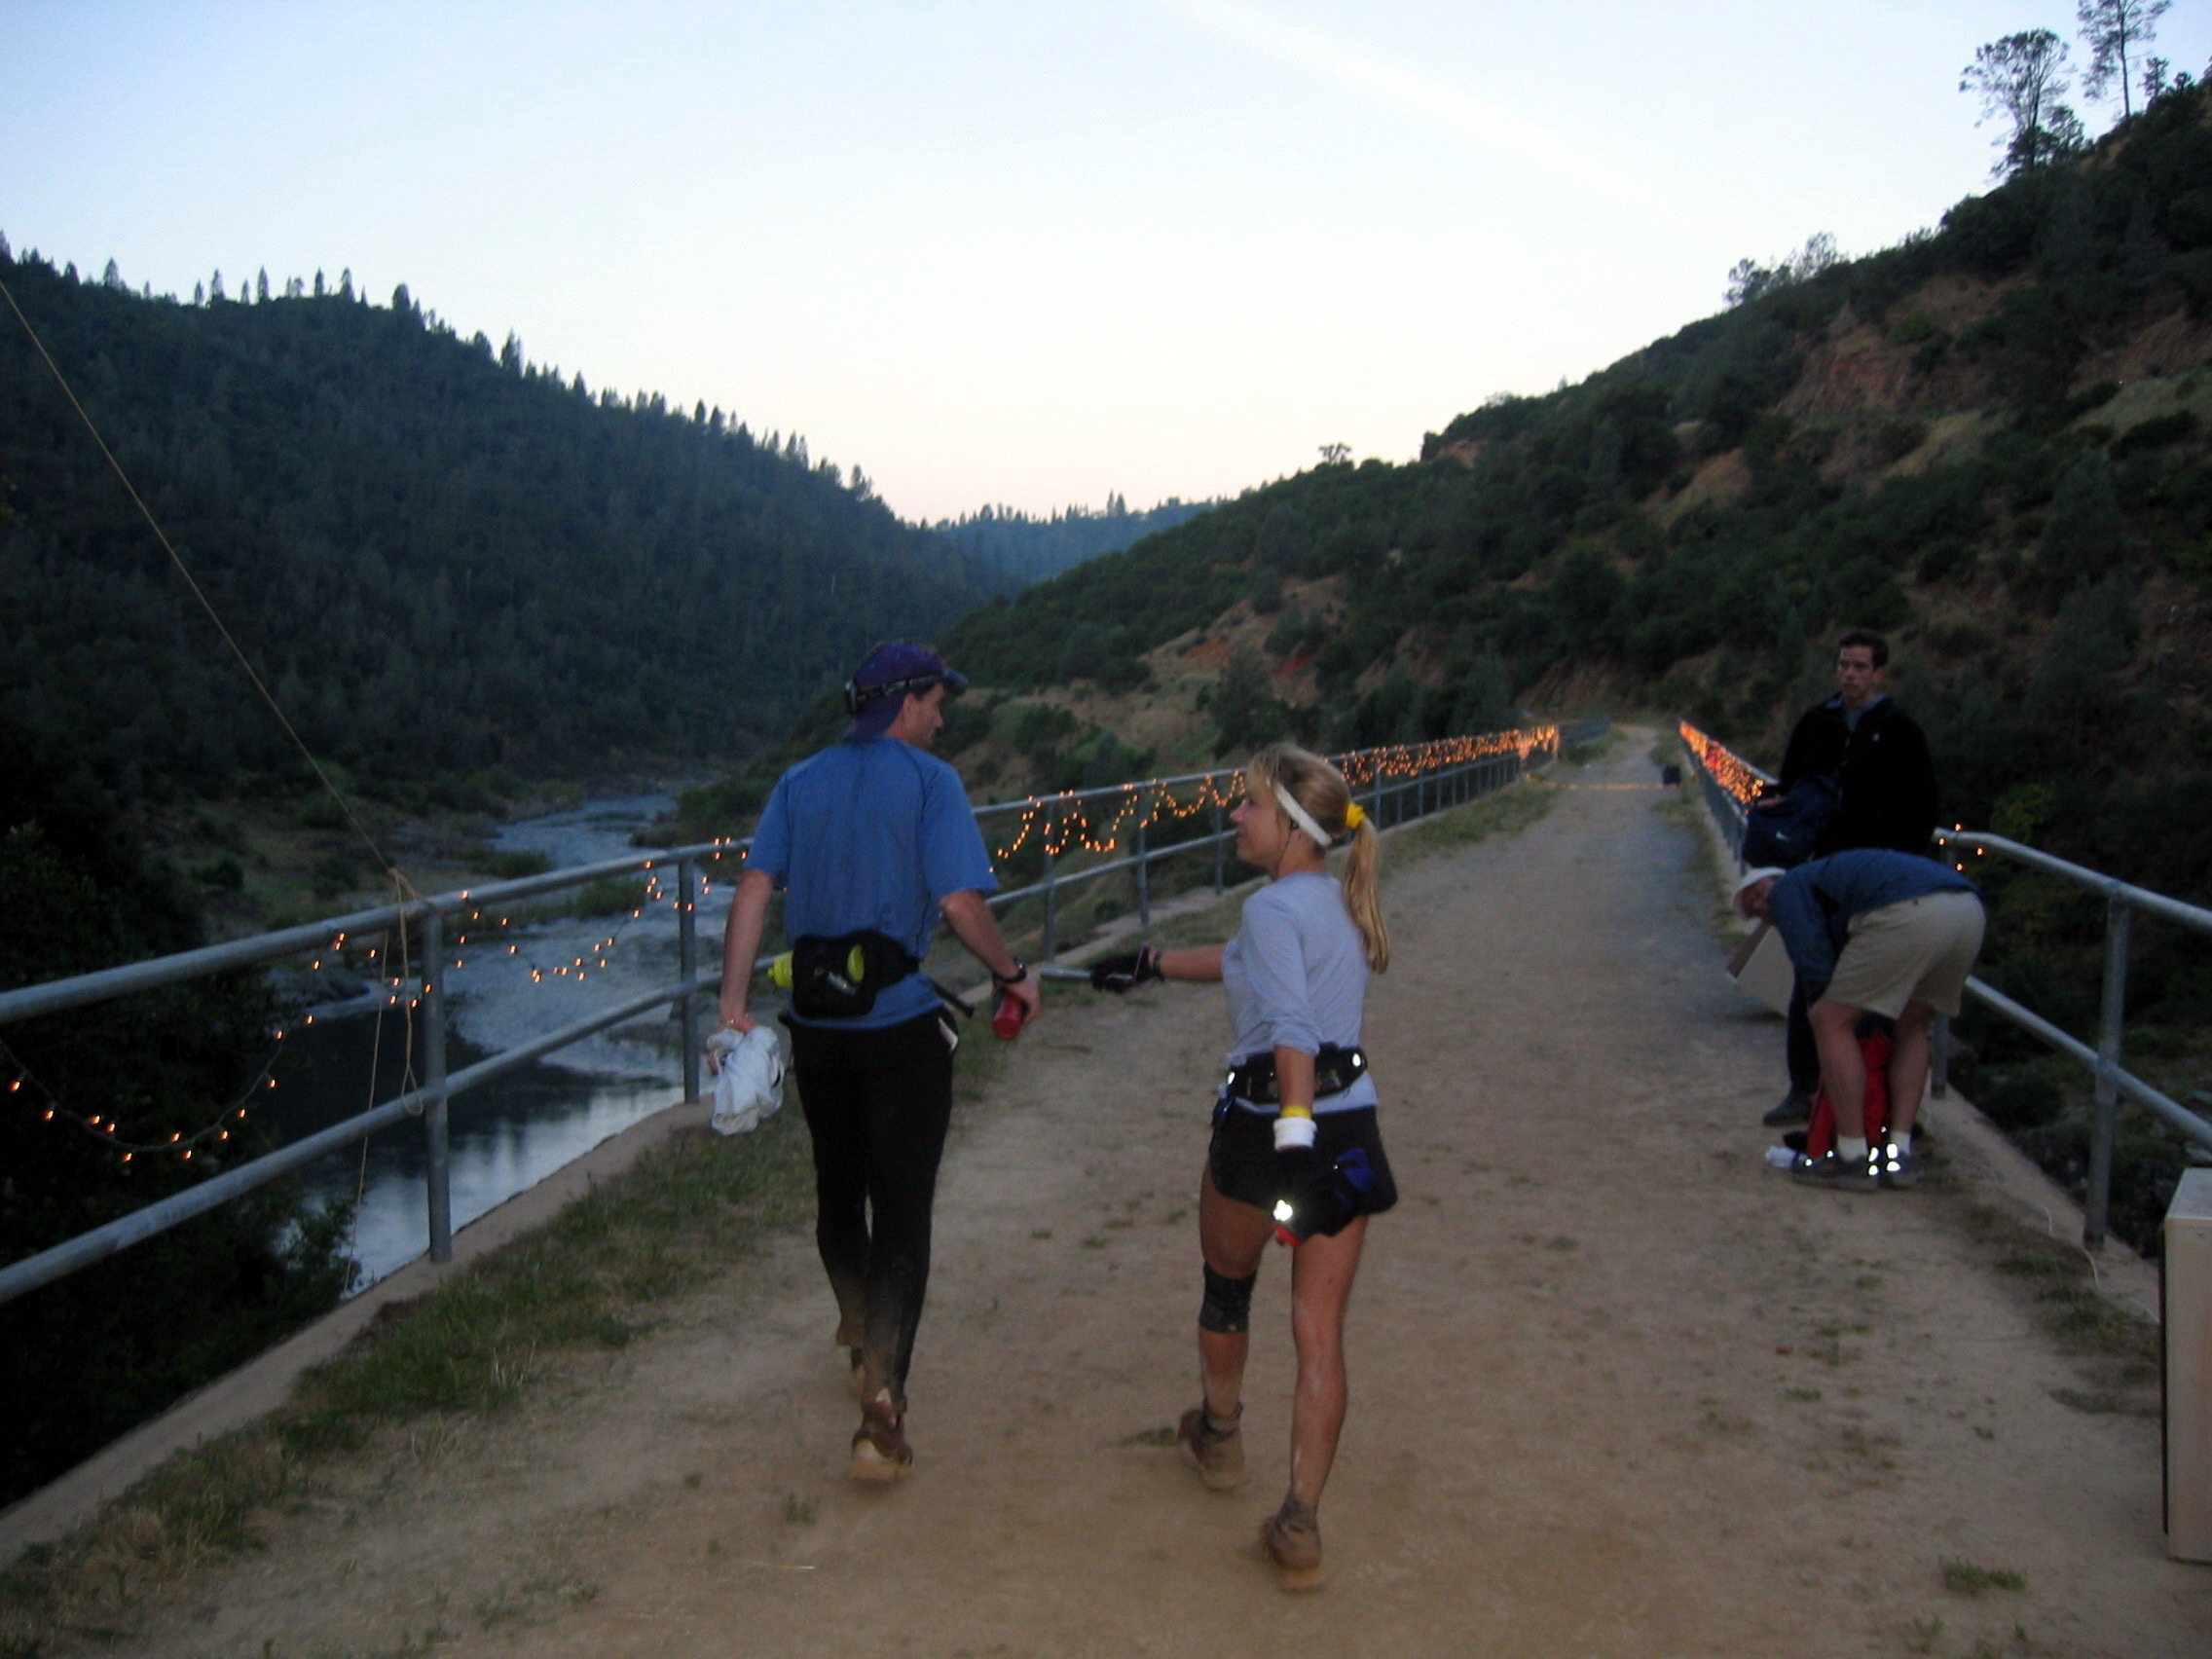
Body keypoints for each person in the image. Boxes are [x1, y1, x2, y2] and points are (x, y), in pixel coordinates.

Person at [716, 641, 1040, 1484]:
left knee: (838, 1194)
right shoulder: (932, 785)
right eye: (938, 703)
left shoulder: (799, 782)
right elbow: (961, 902)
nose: (942, 716)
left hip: (818, 1033)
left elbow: (754, 889)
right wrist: (1011, 975)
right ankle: (882, 1411)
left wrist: (732, 1005)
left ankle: (860, 1329)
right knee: (901, 1217)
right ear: (905, 703)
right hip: (900, 1035)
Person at [1088, 743, 1395, 1592]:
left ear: (1293, 828)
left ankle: (1219, 1439)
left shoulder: (1271, 912)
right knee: (1319, 1331)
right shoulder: (1332, 901)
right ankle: (1299, 1522)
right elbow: (1242, 969)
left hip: (1273, 1128)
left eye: (1249, 805)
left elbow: (1289, 1025)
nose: (1235, 816)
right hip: (1350, 1129)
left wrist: (1291, 1131)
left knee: (1228, 1289)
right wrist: (1149, 964)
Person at [1763, 629, 1939, 1127]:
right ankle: (1803, 1088)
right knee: (1810, 981)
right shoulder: (1816, 723)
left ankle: (1881, 1101)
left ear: (1879, 672)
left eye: (1860, 667)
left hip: (1879, 881)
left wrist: (1896, 865)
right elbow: (1790, 783)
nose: (1850, 675)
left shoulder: (1900, 730)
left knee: (1881, 991)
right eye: (1844, 665)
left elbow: (1922, 807)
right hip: (1819, 874)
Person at [1735, 850, 1984, 1191]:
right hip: (1967, 909)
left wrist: (1828, 1011)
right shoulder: (1825, 880)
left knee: (1830, 1020)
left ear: (1760, 891)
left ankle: (1852, 1156)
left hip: (1906, 913)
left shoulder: (1785, 891)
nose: (1765, 916)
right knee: (1912, 1026)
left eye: (1756, 910)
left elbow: (1814, 966)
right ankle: (1898, 1152)